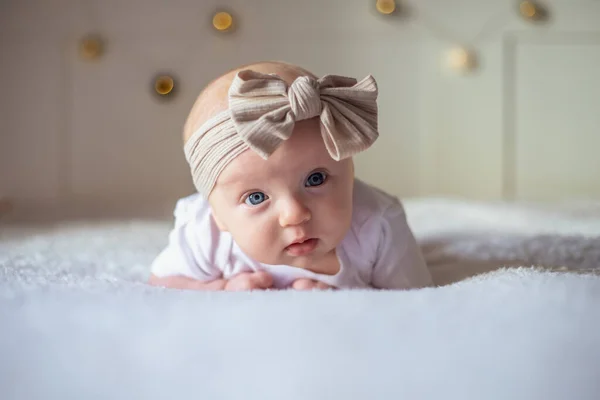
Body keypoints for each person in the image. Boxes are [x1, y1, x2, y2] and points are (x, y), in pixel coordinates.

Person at [148, 61, 432, 291]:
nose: (295, 214)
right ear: (217, 213)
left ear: (350, 169)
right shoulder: (204, 234)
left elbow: (414, 303)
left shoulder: (378, 226)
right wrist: (222, 288)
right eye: (256, 197)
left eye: (316, 179)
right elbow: (163, 283)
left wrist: (349, 302)